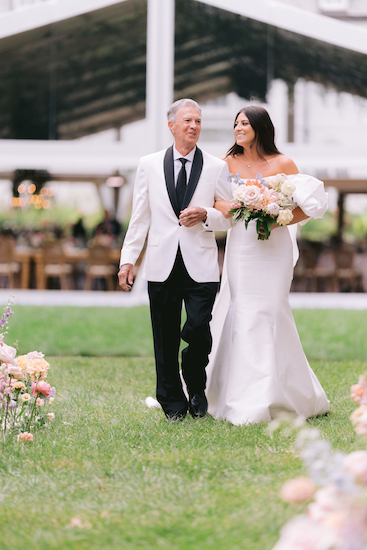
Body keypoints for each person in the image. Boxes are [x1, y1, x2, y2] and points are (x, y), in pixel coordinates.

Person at [204, 105, 330, 425]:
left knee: (273, 309)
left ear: (260, 127)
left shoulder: (282, 163)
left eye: (244, 123)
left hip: (274, 247)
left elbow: (306, 206)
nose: (238, 128)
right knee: (243, 309)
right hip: (242, 248)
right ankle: (243, 397)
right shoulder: (225, 162)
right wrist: (235, 205)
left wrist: (278, 219)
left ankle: (287, 392)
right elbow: (215, 200)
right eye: (236, 124)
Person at [118, 98, 229, 421]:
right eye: (187, 121)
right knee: (164, 333)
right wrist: (128, 260)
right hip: (161, 262)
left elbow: (229, 215)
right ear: (172, 126)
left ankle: (195, 387)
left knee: (198, 328)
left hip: (202, 263)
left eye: (197, 121)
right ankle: (171, 401)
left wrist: (205, 214)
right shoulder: (149, 164)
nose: (193, 126)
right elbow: (140, 217)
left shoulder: (215, 167)